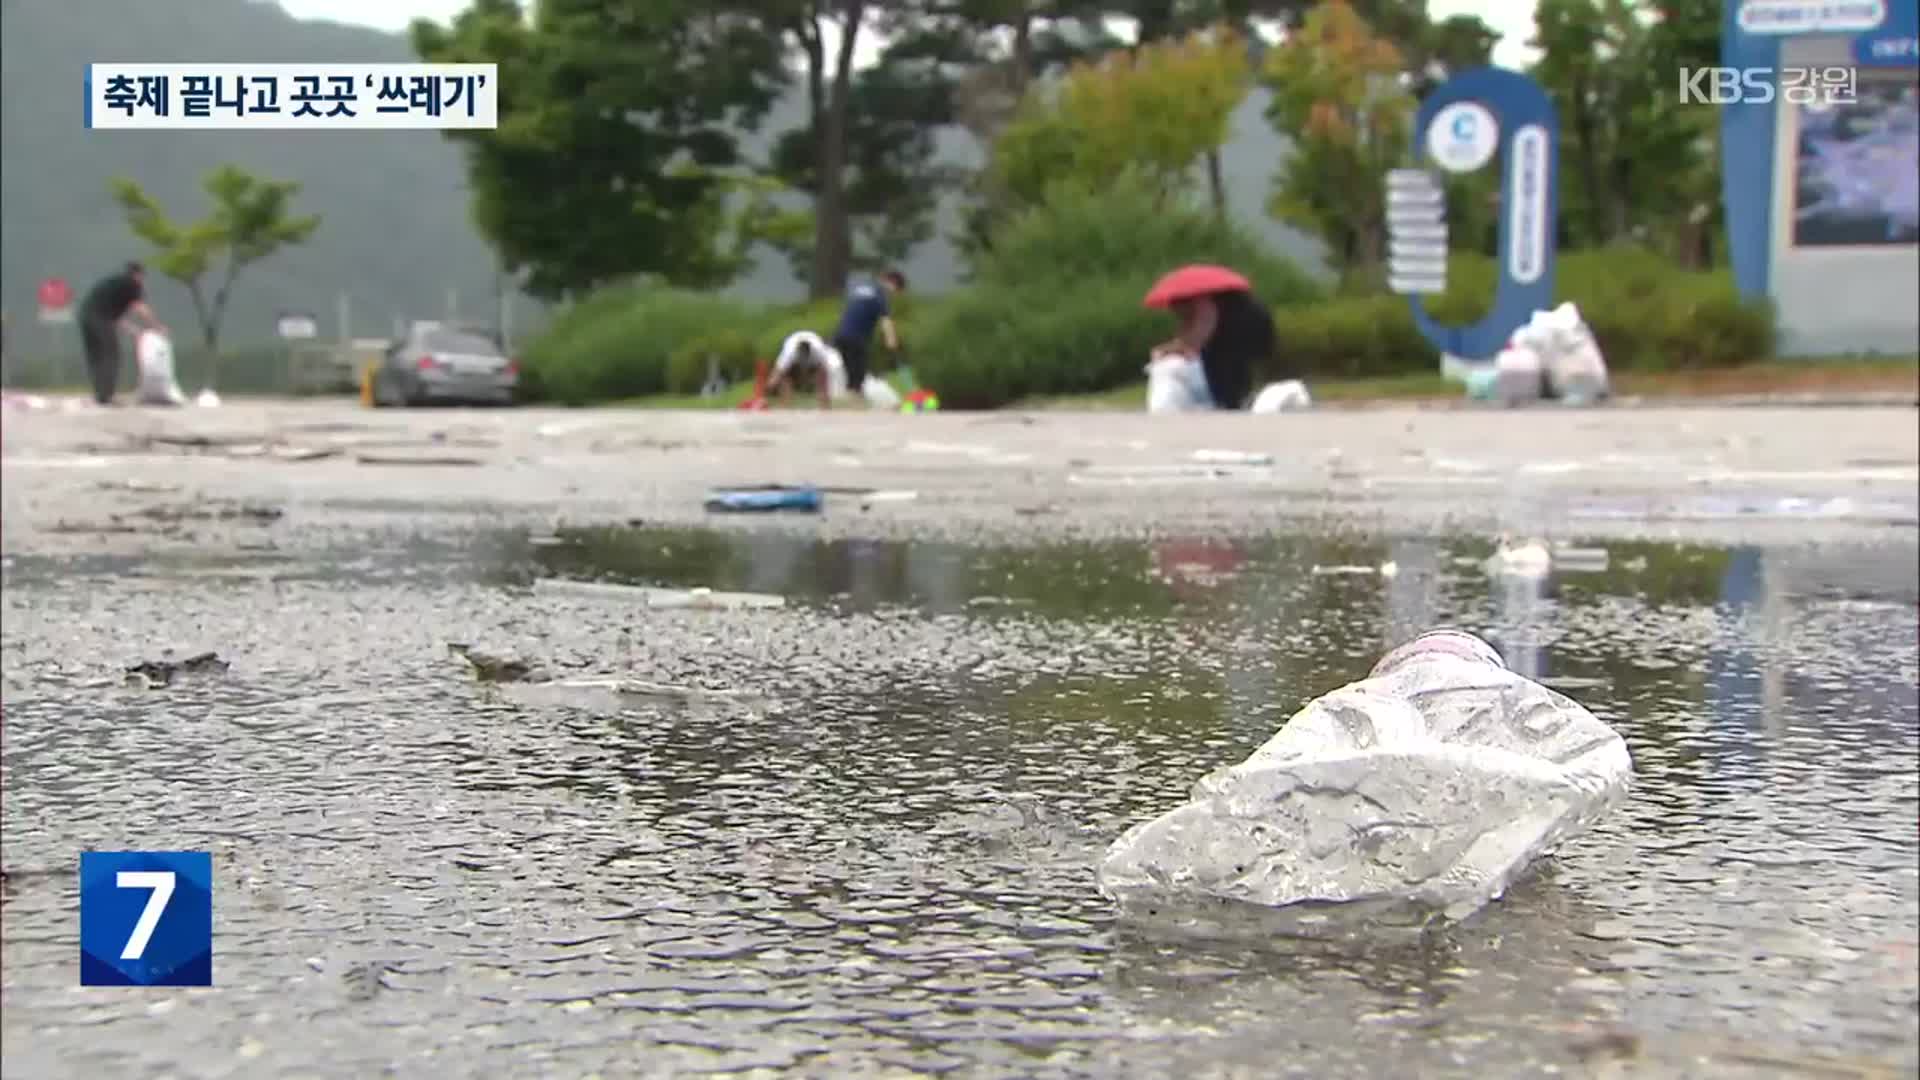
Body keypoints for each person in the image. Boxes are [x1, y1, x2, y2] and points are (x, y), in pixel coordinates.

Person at [1151, 288, 1276, 411]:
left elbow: (1199, 335)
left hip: (1243, 335)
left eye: (1176, 308)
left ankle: (1233, 404)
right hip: (1244, 334)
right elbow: (1188, 333)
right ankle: (1235, 401)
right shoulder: (1209, 302)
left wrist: (1172, 349)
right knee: (1227, 368)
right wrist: (1176, 345)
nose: (1176, 312)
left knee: (1225, 370)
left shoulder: (1204, 305)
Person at [77, 261, 166, 406]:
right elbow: (140, 308)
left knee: (96, 357)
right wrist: (157, 326)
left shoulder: (116, 283)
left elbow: (114, 316)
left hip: (86, 317)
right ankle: (107, 395)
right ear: (139, 275)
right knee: (111, 355)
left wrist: (133, 330)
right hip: (99, 319)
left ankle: (100, 395)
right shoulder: (132, 284)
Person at [764, 329, 849, 409]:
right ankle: (785, 404)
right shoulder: (789, 353)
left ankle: (824, 405)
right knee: (786, 377)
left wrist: (824, 388)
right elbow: (778, 372)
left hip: (814, 351)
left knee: (821, 376)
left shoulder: (819, 351)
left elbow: (824, 370)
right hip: (794, 345)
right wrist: (768, 389)